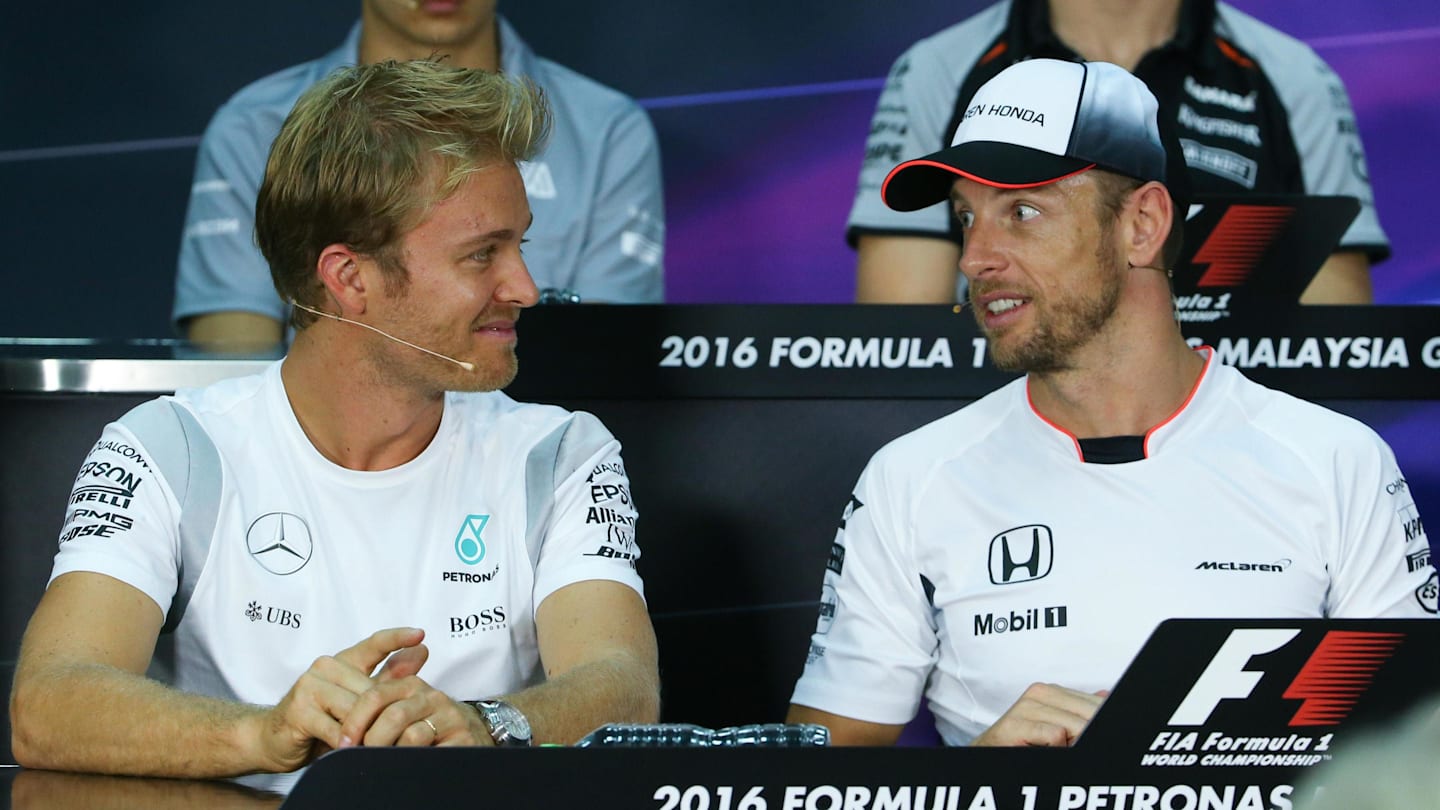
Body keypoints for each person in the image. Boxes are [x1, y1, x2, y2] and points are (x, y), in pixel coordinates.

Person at [10, 59, 660, 777]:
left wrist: (487, 725)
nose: (526, 289)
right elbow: (48, 706)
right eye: (483, 255)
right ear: (349, 278)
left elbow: (625, 690)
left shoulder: (563, 452)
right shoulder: (167, 450)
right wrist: (266, 735)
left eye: (520, 246)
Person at [788, 58, 1436, 747]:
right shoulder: (911, 479)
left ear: (1142, 224)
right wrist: (980, 781)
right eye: (965, 217)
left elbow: (1418, 745)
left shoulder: (1334, 459)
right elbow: (818, 782)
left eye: (1023, 211)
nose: (976, 256)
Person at [175, 0, 665, 349]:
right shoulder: (255, 127)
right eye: (481, 251)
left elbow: (605, 359)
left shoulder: (606, 130)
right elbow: (234, 357)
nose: (522, 290)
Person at [850, 0, 1385, 305]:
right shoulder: (938, 69)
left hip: (1235, 442)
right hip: (1011, 430)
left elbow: (1337, 343)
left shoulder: (1295, 77)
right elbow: (901, 340)